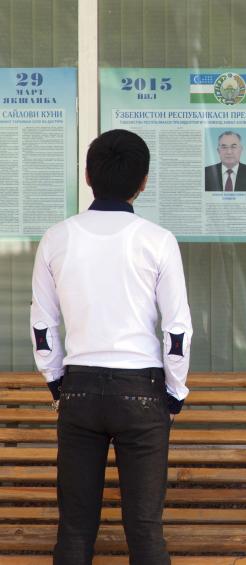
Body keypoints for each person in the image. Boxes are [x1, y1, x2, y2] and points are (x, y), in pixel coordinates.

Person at [31, 129, 193, 565]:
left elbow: (43, 326)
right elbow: (177, 330)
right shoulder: (157, 240)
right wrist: (175, 392)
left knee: (74, 529)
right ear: (144, 181)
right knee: (145, 530)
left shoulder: (56, 238)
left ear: (87, 176)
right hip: (142, 391)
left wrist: (55, 383)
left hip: (79, 389)